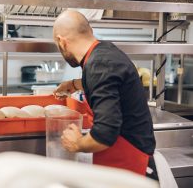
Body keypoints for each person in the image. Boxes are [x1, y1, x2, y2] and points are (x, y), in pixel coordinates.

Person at [53, 10, 158, 180]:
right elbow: (112, 83)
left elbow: (104, 135)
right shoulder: (103, 51)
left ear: (62, 42)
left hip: (129, 168)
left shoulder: (99, 65)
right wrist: (75, 84)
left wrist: (76, 143)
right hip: (122, 162)